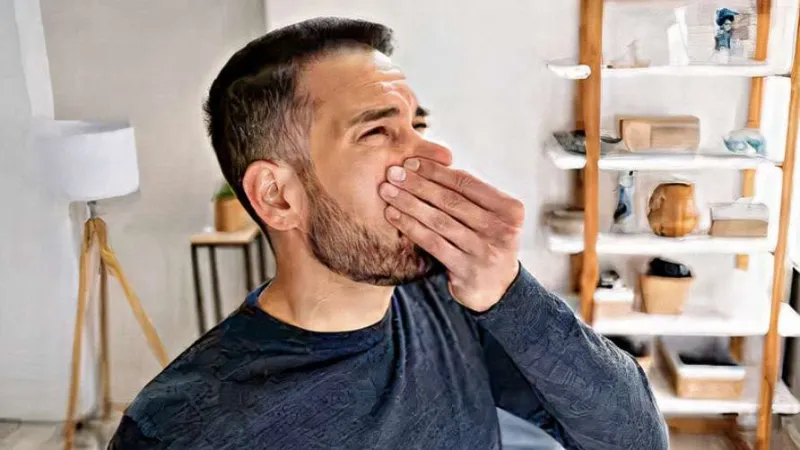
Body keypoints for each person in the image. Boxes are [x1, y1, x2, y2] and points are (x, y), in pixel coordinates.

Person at [108, 17, 667, 449]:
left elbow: (634, 438)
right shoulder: (183, 428)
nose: (434, 153)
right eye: (377, 131)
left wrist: (509, 291)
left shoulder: (449, 302)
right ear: (277, 196)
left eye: (417, 125)